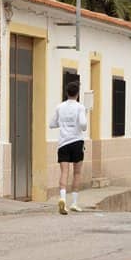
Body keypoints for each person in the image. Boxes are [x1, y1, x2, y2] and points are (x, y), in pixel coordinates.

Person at [50, 80, 88, 215]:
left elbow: (52, 124)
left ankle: (62, 199)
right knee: (77, 173)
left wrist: (63, 124)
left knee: (64, 172)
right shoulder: (80, 107)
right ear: (77, 94)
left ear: (66, 93)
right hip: (77, 142)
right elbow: (83, 125)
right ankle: (74, 203)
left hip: (63, 143)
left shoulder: (59, 107)